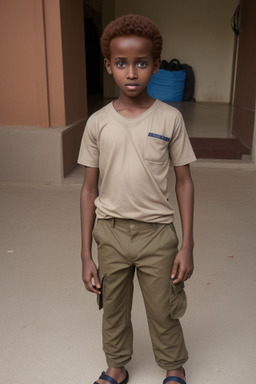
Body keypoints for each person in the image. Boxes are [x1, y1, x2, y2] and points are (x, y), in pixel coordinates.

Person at [78, 14, 196, 384]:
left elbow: (184, 183)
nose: (132, 73)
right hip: (110, 234)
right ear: (109, 65)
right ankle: (117, 365)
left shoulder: (170, 119)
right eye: (122, 63)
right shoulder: (98, 123)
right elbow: (88, 189)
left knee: (164, 308)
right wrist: (85, 253)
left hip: (157, 235)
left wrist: (187, 243)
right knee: (112, 307)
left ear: (156, 66)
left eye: (141, 63)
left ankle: (173, 366)